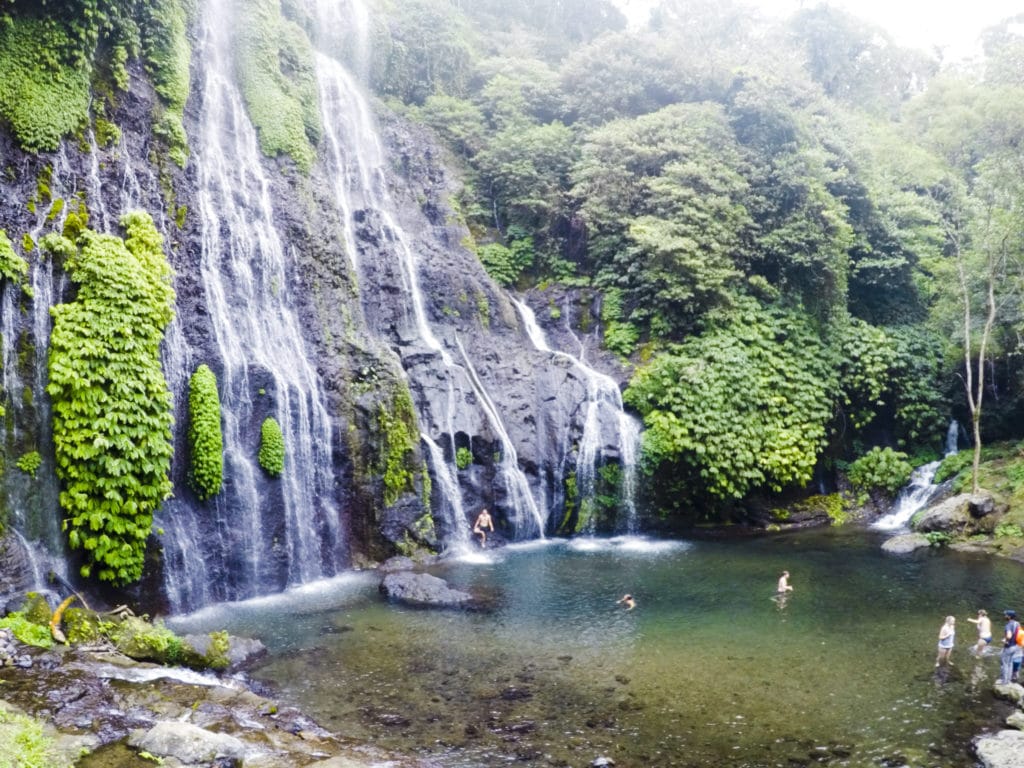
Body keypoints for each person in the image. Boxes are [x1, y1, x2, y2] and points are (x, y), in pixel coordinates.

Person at [997, 609, 1020, 684]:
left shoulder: (1008, 625)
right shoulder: (1017, 623)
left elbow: (1009, 636)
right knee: (1010, 663)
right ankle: (1008, 680)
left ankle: (1004, 681)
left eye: (1006, 615)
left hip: (1009, 647)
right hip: (1015, 646)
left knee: (1005, 664)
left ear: (1009, 617)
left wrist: (1005, 639)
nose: (1005, 616)